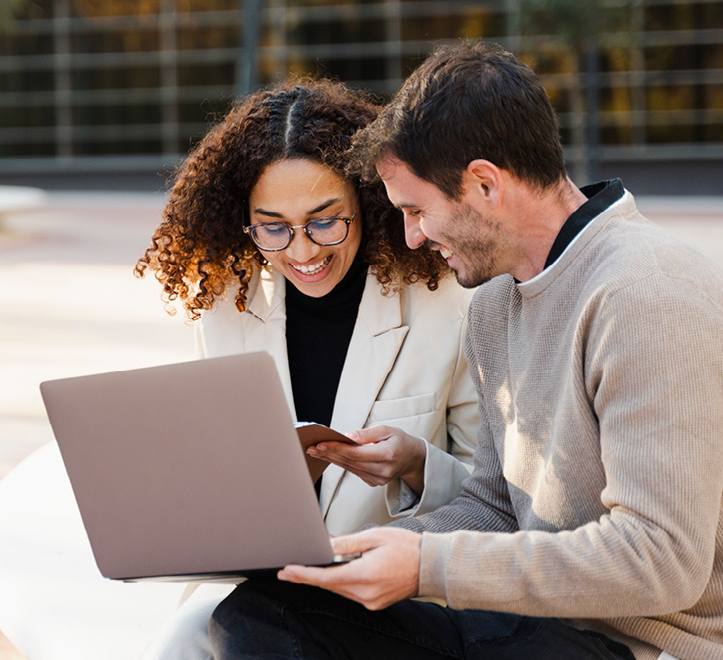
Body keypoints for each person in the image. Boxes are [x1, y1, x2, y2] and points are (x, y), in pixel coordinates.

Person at [208, 41, 723, 660]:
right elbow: (494, 507)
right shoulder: (494, 305)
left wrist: (429, 563)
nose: (411, 236)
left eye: (417, 210)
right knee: (268, 611)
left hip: (666, 645)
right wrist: (347, 556)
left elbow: (660, 563)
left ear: (485, 184)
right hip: (540, 628)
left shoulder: (651, 297)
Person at [134, 78, 479, 659]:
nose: (302, 251)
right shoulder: (227, 304)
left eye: (325, 220)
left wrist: (417, 465)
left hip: (388, 601)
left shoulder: (449, 303)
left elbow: (496, 494)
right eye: (273, 227)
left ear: (369, 203)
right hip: (251, 590)